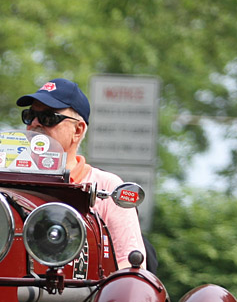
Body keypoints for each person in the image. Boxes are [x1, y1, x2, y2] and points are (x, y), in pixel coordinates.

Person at [16, 78, 148, 270]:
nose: (35, 123)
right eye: (30, 115)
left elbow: (130, 265)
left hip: (79, 297)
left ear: (77, 130)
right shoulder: (9, 176)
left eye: (48, 118)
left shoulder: (105, 186)